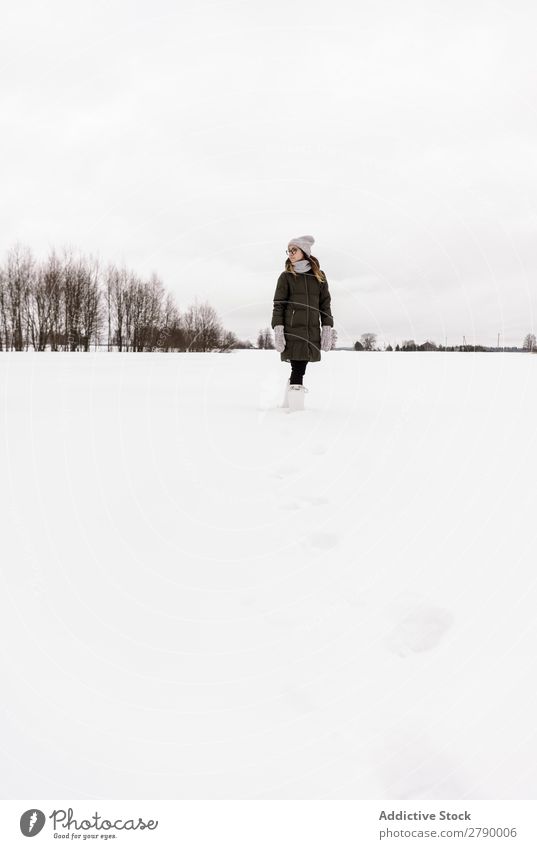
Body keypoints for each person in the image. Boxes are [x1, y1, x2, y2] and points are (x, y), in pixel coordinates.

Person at [271, 235, 334, 411]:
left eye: (294, 250)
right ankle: (296, 411)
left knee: (300, 366)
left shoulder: (319, 277)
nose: (290, 254)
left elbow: (325, 304)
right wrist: (278, 328)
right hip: (292, 330)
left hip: (311, 330)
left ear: (304, 252)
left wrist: (327, 327)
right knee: (298, 367)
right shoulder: (286, 277)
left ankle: (287, 403)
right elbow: (279, 305)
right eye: (289, 250)